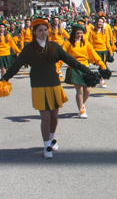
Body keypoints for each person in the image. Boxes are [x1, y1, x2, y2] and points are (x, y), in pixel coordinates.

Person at [1, 18, 92, 159]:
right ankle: (46, 145)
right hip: (39, 85)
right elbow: (16, 65)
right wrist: (4, 79)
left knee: (54, 117)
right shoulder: (29, 49)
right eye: (40, 30)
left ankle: (52, 138)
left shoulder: (54, 47)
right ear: (34, 32)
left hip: (54, 83)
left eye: (45, 30)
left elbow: (70, 60)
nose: (44, 32)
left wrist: (86, 70)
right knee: (45, 117)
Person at [62, 24, 107, 119]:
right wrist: (55, 67)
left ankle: (82, 104)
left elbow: (94, 55)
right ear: (73, 33)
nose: (79, 35)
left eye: (81, 33)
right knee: (80, 90)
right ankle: (81, 109)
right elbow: (61, 56)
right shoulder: (68, 43)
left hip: (85, 68)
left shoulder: (86, 43)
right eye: (77, 33)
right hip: (74, 68)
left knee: (87, 90)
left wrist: (102, 65)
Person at [89, 17, 112, 88]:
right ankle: (102, 80)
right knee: (100, 64)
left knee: (103, 64)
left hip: (104, 50)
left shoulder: (105, 31)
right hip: (96, 50)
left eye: (102, 22)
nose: (100, 23)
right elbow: (90, 43)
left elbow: (107, 42)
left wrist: (110, 51)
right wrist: (91, 52)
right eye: (99, 22)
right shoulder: (92, 32)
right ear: (96, 23)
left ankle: (101, 79)